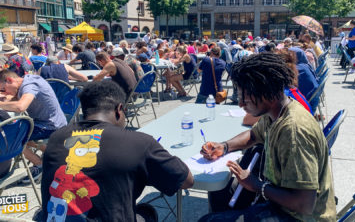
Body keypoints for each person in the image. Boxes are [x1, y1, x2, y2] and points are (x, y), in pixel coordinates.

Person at [199, 53, 335, 221]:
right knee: (219, 194)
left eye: (244, 97)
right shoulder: (275, 112)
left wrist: (256, 185)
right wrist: (224, 146)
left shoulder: (293, 131)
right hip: (283, 204)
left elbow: (303, 204)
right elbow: (253, 134)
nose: (240, 103)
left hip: (298, 216)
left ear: (267, 94)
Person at [40, 80, 194, 221]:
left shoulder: (56, 138)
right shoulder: (140, 142)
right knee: (147, 212)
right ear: (119, 109)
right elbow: (186, 181)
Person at [0, 70, 67, 181]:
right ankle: (56, 154)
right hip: (53, 121)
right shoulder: (28, 79)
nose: (4, 93)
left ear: (9, 80)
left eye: (3, 89)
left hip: (50, 126)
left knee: (13, 139)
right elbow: (15, 98)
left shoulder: (29, 85)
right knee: (19, 135)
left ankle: (40, 165)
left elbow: (20, 107)